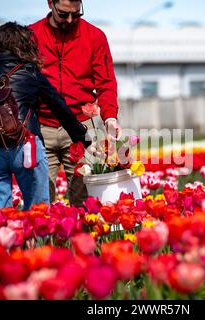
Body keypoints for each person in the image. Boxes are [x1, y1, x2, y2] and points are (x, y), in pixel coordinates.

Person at [0, 22, 90, 213]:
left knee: (0, 222)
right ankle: (38, 243)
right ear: (26, 46)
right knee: (38, 216)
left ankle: (10, 243)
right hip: (26, 148)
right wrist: (83, 137)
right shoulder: (30, 73)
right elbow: (60, 108)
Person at [29, 0, 122, 207]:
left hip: (81, 128)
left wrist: (110, 117)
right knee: (41, 201)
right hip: (41, 127)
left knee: (84, 200)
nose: (70, 20)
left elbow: (106, 83)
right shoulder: (31, 36)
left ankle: (83, 239)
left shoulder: (95, 36)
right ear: (50, 3)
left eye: (76, 14)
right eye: (63, 14)